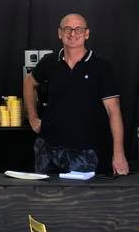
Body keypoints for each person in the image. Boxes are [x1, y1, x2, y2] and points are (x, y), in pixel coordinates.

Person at [23, 13, 129, 176]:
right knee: (44, 192)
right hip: (48, 147)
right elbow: (29, 82)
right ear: (60, 33)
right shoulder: (49, 62)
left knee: (79, 193)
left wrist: (119, 153)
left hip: (84, 151)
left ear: (87, 34)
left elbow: (113, 111)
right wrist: (32, 117)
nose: (73, 34)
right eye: (67, 29)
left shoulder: (101, 67)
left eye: (78, 29)